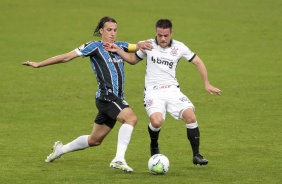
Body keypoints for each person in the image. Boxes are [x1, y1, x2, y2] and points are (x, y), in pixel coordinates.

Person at [22, 16, 152, 172]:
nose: (112, 33)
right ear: (101, 31)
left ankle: (60, 150)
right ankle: (118, 159)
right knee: (131, 118)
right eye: (109, 30)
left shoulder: (120, 46)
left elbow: (135, 49)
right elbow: (67, 57)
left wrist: (143, 45)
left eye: (115, 30)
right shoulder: (94, 47)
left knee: (95, 140)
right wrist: (39, 64)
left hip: (115, 99)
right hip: (107, 97)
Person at [104, 18, 222, 166]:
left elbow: (198, 61)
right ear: (156, 33)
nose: (163, 38)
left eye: (166, 35)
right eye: (160, 35)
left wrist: (207, 83)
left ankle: (196, 155)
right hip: (153, 92)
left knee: (191, 117)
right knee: (156, 121)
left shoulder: (180, 47)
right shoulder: (148, 45)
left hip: (173, 91)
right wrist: (118, 50)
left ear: (171, 33)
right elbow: (133, 60)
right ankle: (154, 144)